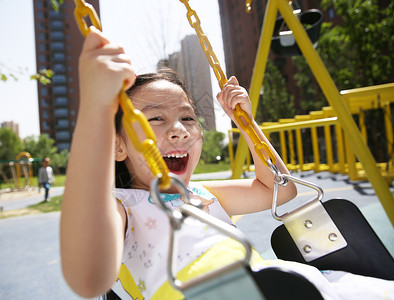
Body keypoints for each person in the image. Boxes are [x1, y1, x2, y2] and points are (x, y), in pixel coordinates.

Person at [60, 28, 394, 300]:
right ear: (117, 146)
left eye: (188, 117)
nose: (178, 131)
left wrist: (247, 124)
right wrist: (94, 108)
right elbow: (89, 279)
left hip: (279, 287)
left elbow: (280, 188)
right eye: (155, 119)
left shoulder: (204, 194)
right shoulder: (121, 209)